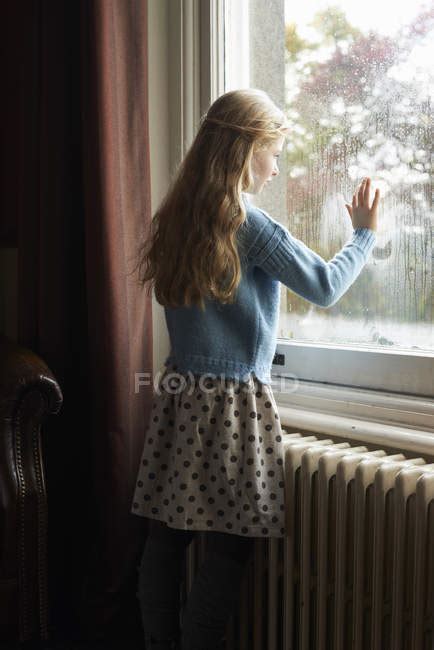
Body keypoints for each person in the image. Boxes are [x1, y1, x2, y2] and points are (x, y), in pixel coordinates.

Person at [130, 88, 380, 650]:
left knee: (165, 543)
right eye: (273, 152)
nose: (274, 167)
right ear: (247, 151)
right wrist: (363, 235)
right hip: (233, 408)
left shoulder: (177, 217)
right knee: (228, 551)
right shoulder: (248, 223)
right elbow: (323, 286)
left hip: (178, 397)